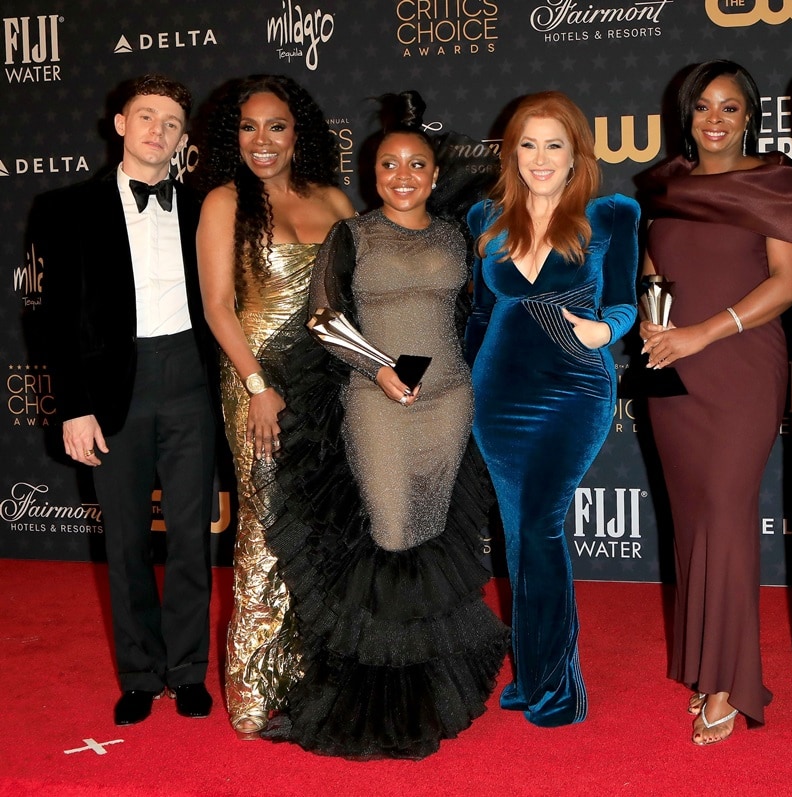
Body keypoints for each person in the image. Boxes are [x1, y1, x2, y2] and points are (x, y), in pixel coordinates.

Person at [254, 90, 508, 758]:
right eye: (389, 165)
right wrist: (381, 368)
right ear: (373, 176)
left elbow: (482, 314)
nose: (403, 175)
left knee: (429, 540)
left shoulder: (459, 234)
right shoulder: (353, 234)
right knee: (390, 537)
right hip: (377, 403)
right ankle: (375, 704)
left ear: (432, 172)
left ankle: (427, 694)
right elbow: (323, 318)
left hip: (450, 402)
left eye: (416, 164)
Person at [33, 74, 218, 725]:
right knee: (128, 541)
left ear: (182, 137)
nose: (157, 130)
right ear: (119, 123)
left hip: (190, 381)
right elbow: (51, 320)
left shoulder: (204, 208)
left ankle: (189, 670)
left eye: (170, 121)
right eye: (146, 116)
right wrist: (72, 406)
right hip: (115, 388)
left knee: (194, 537)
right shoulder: (65, 209)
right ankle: (140, 671)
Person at [639, 60, 792, 745]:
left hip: (739, 365)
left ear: (751, 116)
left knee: (727, 516)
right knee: (692, 519)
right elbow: (656, 263)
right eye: (703, 106)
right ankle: (710, 664)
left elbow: (791, 281)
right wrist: (655, 319)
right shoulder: (666, 185)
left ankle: (732, 682)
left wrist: (701, 334)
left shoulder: (777, 182)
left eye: (730, 107)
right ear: (687, 115)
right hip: (672, 364)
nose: (715, 118)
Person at [467, 91, 640, 728]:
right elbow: (481, 316)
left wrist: (607, 331)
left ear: (576, 156)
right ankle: (535, 672)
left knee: (538, 525)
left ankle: (559, 691)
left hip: (573, 389)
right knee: (518, 535)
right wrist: (458, 389)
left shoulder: (611, 215)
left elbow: (625, 301)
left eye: (554, 145)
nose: (541, 158)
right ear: (513, 153)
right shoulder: (485, 217)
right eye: (529, 145)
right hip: (498, 395)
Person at [196, 74, 355, 739]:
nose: (263, 141)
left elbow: (359, 295)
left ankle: (317, 678)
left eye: (277, 126)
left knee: (325, 531)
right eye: (249, 127)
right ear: (234, 137)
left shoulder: (333, 199)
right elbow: (217, 307)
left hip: (329, 382)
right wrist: (259, 386)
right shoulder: (224, 202)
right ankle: (255, 691)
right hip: (257, 381)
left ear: (300, 133)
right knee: (265, 531)